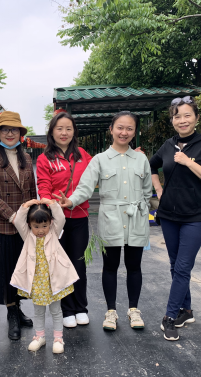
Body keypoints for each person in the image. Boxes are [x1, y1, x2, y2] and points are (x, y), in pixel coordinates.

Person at [56, 111, 152, 331]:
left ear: (134, 132)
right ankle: (111, 311)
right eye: (120, 127)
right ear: (111, 129)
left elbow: (147, 191)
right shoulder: (100, 160)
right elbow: (85, 187)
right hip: (111, 219)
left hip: (136, 219)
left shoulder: (141, 159)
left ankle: (134, 310)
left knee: (134, 266)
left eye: (129, 128)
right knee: (110, 266)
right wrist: (70, 201)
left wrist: (143, 209)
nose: (124, 132)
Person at [149, 96, 201, 342]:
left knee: (182, 267)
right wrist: (159, 189)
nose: (182, 120)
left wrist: (189, 162)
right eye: (177, 116)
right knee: (175, 265)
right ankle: (187, 311)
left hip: (196, 216)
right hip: (169, 214)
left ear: (196, 118)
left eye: (187, 115)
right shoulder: (168, 145)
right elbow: (151, 166)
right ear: (172, 120)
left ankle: (170, 317)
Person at [0, 111, 37, 341]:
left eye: (14, 129)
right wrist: (12, 216)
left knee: (22, 269)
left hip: (24, 225)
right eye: (5, 129)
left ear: (20, 133)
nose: (10, 133)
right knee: (6, 270)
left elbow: (32, 192)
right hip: (1, 224)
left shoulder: (27, 159)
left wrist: (33, 218)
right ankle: (11, 313)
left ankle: (18, 308)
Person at [36, 112, 93, 329]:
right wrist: (52, 204)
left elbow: (96, 174)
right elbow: (43, 186)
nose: (64, 133)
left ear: (74, 132)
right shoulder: (44, 159)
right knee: (60, 264)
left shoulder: (83, 155)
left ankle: (81, 308)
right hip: (57, 221)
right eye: (59, 128)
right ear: (52, 132)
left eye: (69, 129)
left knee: (78, 262)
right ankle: (67, 310)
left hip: (79, 217)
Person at [10, 199, 79, 354]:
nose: (40, 230)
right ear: (29, 225)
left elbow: (61, 218)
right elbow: (18, 221)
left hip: (53, 282)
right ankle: (39, 336)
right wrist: (25, 206)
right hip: (37, 282)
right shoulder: (27, 236)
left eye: (44, 226)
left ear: (50, 223)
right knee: (38, 311)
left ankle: (58, 338)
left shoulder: (53, 233)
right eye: (36, 226)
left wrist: (52, 203)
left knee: (56, 310)